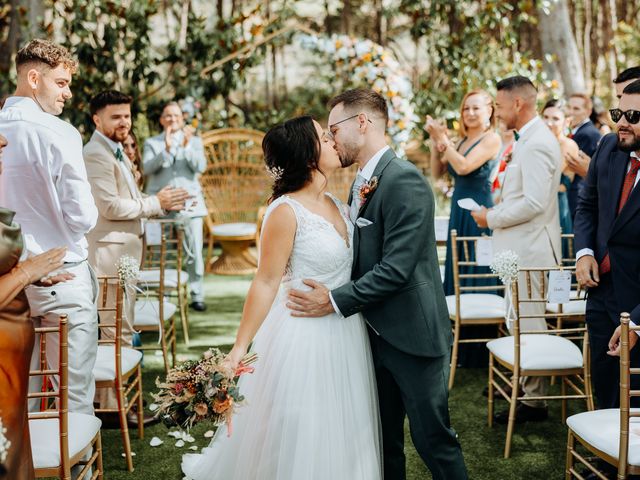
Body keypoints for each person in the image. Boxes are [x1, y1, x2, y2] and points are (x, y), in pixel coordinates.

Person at [181, 116, 382, 479]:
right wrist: (238, 350)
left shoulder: (340, 203)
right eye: (325, 137)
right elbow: (265, 282)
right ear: (308, 155)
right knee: (302, 428)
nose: (334, 141)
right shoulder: (285, 211)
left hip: (347, 331)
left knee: (343, 426)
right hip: (302, 337)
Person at [287, 89, 467, 480]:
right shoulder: (361, 182)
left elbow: (396, 269)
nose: (331, 139)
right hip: (371, 336)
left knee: (433, 440)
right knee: (383, 443)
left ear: (362, 123)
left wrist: (333, 300)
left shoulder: (405, 181)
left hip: (414, 338)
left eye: (334, 129)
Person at [0, 39, 100, 417]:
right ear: (33, 78)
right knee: (72, 392)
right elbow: (84, 217)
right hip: (62, 276)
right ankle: (76, 471)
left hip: (7, 281)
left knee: (17, 391)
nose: (68, 93)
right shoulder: (60, 132)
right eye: (61, 83)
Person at [83, 90, 189, 417]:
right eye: (116, 117)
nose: (124, 123)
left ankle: (118, 400)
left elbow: (129, 198)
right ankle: (115, 408)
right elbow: (110, 206)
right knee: (115, 329)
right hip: (109, 256)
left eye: (127, 116)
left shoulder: (115, 151)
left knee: (122, 327)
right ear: (97, 119)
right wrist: (156, 203)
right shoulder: (96, 154)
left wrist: (157, 202)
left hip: (125, 253)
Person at [471, 76, 562, 424]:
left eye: (500, 105)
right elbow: (518, 193)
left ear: (519, 105)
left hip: (532, 250)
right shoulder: (525, 140)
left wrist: (490, 217)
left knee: (531, 324)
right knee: (518, 322)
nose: (497, 111)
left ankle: (534, 402)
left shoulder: (538, 142)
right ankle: (523, 386)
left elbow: (535, 203)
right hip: (518, 250)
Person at [574, 79, 640, 480]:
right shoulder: (607, 147)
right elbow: (588, 203)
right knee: (603, 383)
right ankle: (606, 460)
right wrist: (584, 253)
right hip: (602, 293)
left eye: (633, 116)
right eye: (619, 113)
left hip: (639, 302)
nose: (622, 123)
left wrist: (638, 321)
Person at [0, 133, 73, 480]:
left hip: (12, 360)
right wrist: (27, 271)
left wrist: (35, 277)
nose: (2, 145)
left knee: (14, 451)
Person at [426, 90, 501, 368]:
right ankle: (457, 341)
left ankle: (480, 348)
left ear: (489, 111)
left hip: (478, 209)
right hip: (459, 207)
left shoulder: (491, 139)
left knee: (477, 265)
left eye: (476, 108)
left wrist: (445, 142)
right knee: (458, 266)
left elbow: (466, 166)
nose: (470, 113)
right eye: (466, 108)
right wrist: (437, 142)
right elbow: (437, 173)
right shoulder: (461, 140)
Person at [143, 102, 207, 311]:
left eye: (176, 116)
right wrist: (167, 150)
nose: (172, 119)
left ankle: (196, 294)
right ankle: (166, 295)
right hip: (161, 206)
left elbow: (201, 167)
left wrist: (186, 147)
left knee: (194, 251)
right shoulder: (152, 143)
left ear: (182, 118)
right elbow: (146, 168)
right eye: (168, 116)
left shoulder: (195, 141)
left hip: (191, 205)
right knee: (164, 251)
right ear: (161, 120)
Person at [541, 99, 579, 255]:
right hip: (537, 205)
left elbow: (552, 179)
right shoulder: (539, 143)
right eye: (545, 117)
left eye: (555, 118)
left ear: (567, 121)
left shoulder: (568, 146)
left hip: (556, 206)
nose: (549, 123)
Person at [566, 93, 602, 218]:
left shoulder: (587, 134)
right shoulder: (578, 131)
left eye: (576, 108)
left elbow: (570, 165)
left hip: (577, 195)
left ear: (588, 111)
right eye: (569, 107)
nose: (570, 112)